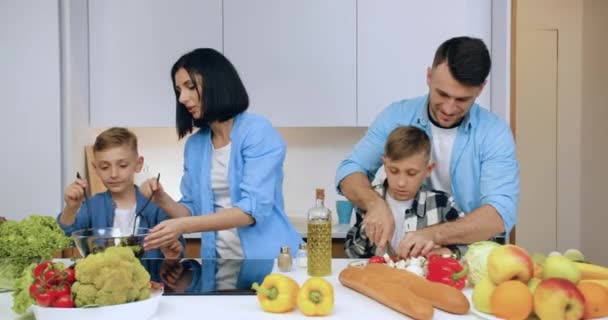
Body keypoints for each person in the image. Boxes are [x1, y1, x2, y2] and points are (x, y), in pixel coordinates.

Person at [336, 36, 519, 258]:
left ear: (481, 89)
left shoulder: (494, 133)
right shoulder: (396, 116)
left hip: (467, 262)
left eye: (462, 99)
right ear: (429, 76)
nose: (449, 109)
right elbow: (349, 171)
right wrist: (374, 204)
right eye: (442, 94)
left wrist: (434, 235)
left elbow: (499, 214)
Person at [140, 48, 302, 259]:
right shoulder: (195, 145)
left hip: (270, 263)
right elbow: (192, 209)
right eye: (178, 90)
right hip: (219, 264)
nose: (182, 98)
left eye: (190, 87)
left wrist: (182, 226)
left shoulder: (257, 131)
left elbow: (251, 210)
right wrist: (161, 199)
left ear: (217, 83)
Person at [57, 127, 183, 259]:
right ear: (96, 169)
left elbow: (177, 245)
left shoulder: (156, 206)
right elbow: (66, 240)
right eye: (105, 167)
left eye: (122, 165)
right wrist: (71, 208)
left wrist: (173, 253)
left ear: (138, 164)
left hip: (150, 278)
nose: (114, 174)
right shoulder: (92, 206)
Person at [345, 126, 467, 259]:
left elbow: (471, 245)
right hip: (378, 277)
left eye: (411, 173)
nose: (401, 183)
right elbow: (350, 253)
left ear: (428, 169)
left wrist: (447, 252)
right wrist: (366, 231)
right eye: (394, 171)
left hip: (422, 278)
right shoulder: (368, 200)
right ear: (384, 164)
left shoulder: (442, 204)